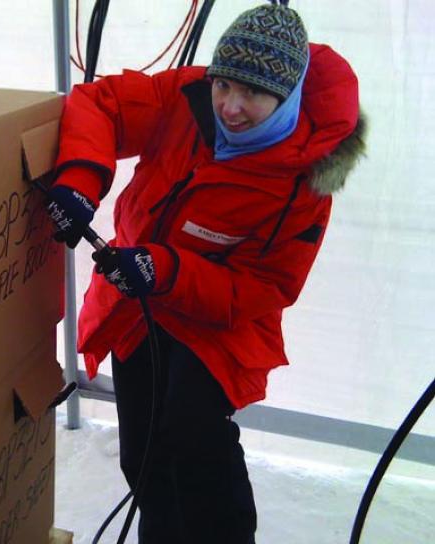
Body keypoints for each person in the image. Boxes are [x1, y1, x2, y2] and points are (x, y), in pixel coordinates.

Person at [46, 2, 366, 543]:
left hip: (220, 319)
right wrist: (81, 179)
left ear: (286, 96)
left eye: (254, 94)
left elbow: (267, 287)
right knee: (143, 450)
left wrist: (165, 269)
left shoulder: (303, 180)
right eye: (224, 85)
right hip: (136, 298)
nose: (231, 107)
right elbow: (103, 105)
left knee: (192, 437)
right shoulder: (187, 97)